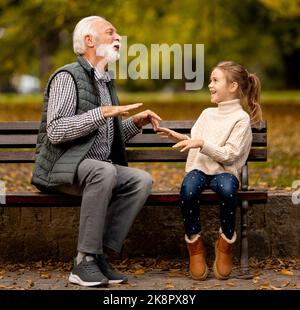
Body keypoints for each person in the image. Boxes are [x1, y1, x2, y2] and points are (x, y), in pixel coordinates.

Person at [31, 16, 161, 287]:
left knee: (141, 180)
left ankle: (100, 256)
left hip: (93, 170)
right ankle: (84, 261)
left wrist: (135, 123)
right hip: (61, 167)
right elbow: (56, 131)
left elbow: (105, 136)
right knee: (103, 170)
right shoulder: (68, 77)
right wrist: (101, 113)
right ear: (89, 40)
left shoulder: (105, 82)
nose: (118, 38)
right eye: (111, 32)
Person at [156, 61, 262, 280]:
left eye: (215, 80)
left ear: (233, 86)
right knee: (188, 190)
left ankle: (225, 244)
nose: (210, 85)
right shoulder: (206, 114)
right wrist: (181, 137)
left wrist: (201, 143)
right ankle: (195, 244)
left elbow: (230, 155)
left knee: (227, 190)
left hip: (225, 171)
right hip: (199, 168)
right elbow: (196, 141)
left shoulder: (240, 119)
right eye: (211, 80)